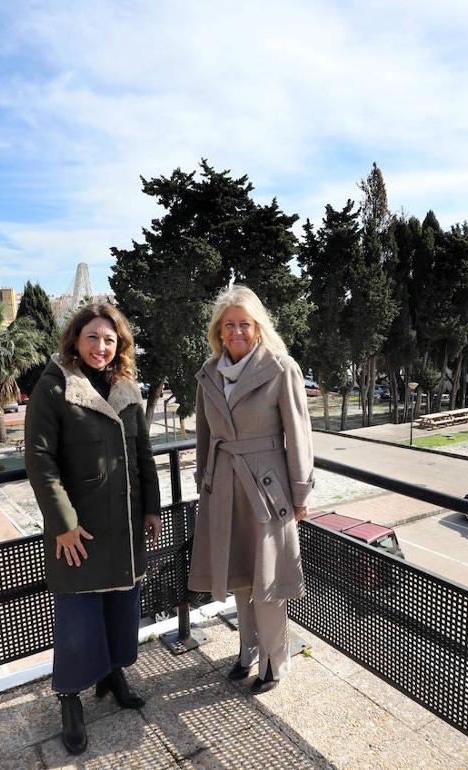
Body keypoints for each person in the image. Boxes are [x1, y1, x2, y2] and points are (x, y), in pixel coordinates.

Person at [24, 303, 162, 756]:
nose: (101, 347)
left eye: (110, 339)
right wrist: (63, 526)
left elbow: (143, 452)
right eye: (93, 337)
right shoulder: (54, 386)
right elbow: (40, 460)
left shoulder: (127, 387)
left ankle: (112, 674)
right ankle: (70, 698)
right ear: (75, 339)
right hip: (79, 531)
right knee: (78, 623)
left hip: (125, 526)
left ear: (119, 343)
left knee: (122, 610)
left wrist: (152, 508)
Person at [189, 285, 314, 695]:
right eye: (229, 325)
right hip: (223, 488)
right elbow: (204, 435)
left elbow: (298, 435)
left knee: (269, 584)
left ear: (258, 327)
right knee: (240, 578)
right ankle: (246, 652)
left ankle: (274, 663)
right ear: (219, 332)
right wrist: (203, 483)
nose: (237, 331)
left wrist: (300, 494)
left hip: (266, 491)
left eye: (245, 323)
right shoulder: (207, 373)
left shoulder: (280, 368)